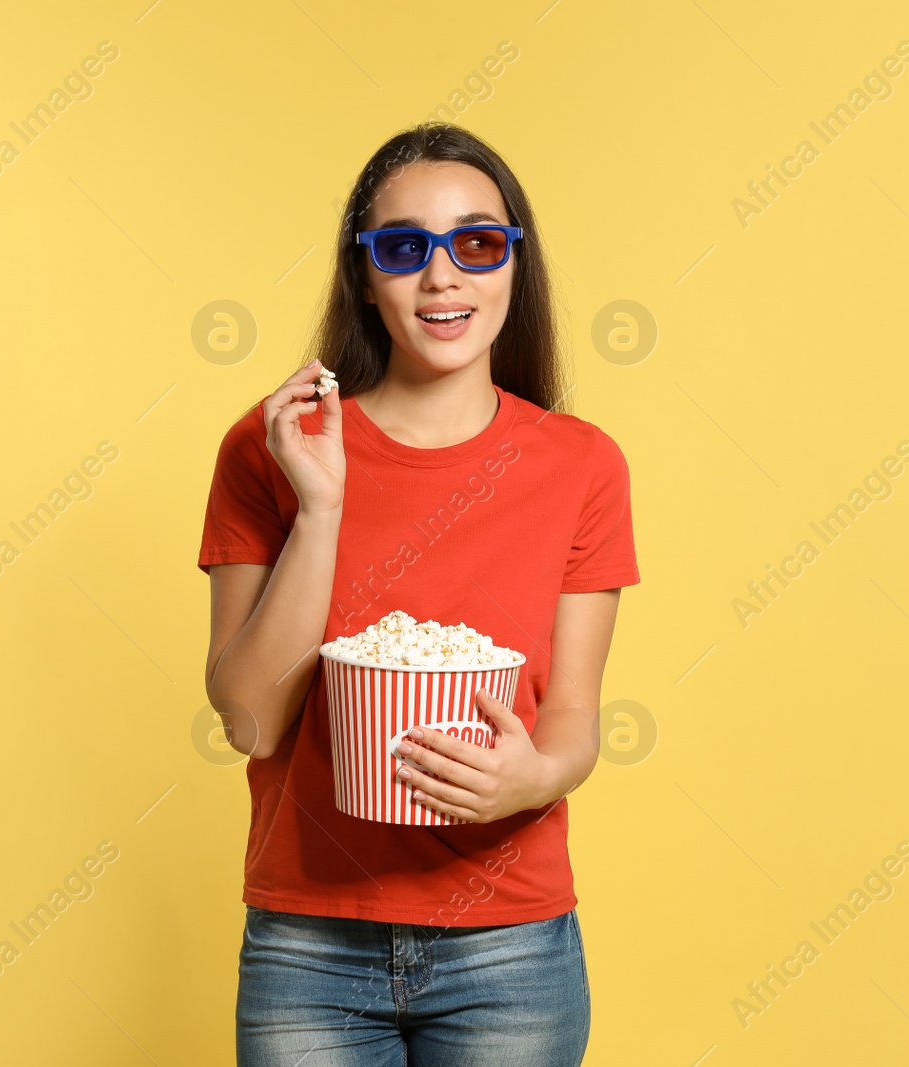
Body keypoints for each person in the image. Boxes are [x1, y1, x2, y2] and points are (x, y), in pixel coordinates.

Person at [197, 121, 640, 1066]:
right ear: (365, 275)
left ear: (515, 265)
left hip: (510, 945)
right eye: (404, 247)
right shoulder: (269, 445)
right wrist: (320, 506)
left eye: (477, 242)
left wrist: (539, 776)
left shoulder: (582, 464)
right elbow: (249, 721)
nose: (443, 276)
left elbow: (572, 713)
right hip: (309, 942)